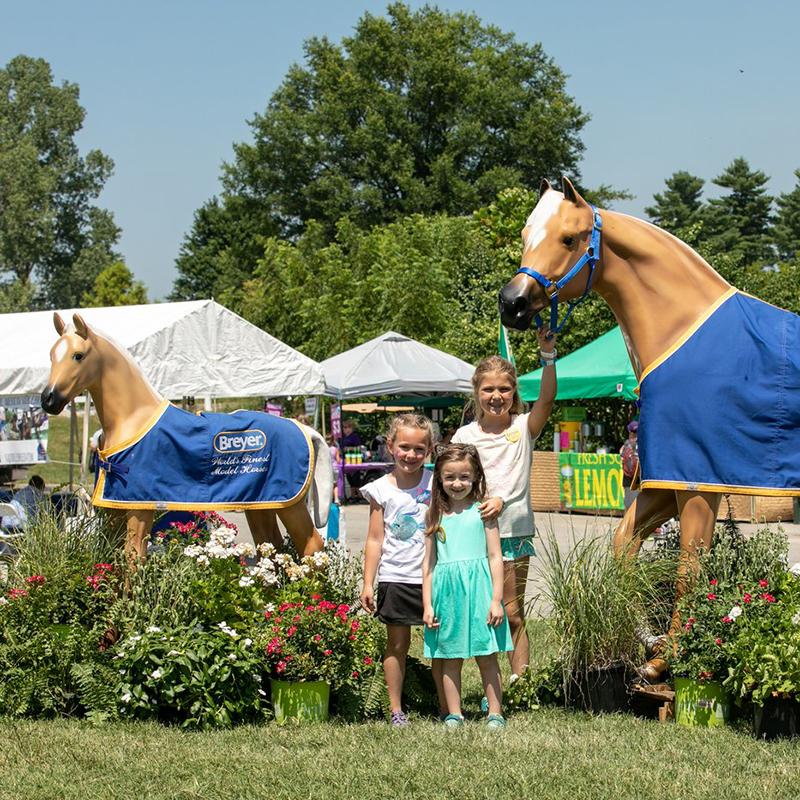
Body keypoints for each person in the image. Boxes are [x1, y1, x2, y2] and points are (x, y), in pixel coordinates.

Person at [452, 326, 557, 684]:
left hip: (513, 531)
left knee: (512, 611)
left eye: (504, 389)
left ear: (514, 393)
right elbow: (453, 482)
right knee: (484, 613)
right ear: (476, 392)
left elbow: (547, 400)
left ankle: (520, 684)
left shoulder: (524, 427)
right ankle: (492, 687)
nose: (496, 396)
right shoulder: (464, 436)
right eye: (488, 389)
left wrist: (547, 356)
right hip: (474, 535)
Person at [359, 413, 443, 727]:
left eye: (419, 449)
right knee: (396, 645)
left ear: (430, 450)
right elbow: (374, 539)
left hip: (434, 577)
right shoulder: (380, 489)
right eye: (404, 447)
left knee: (441, 645)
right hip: (395, 578)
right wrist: (368, 583)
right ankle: (396, 710)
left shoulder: (437, 483)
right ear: (391, 445)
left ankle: (447, 706)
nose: (411, 455)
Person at [423, 443, 512, 728]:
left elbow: (495, 556)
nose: (457, 483)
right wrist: (427, 604)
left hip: (480, 591)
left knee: (487, 655)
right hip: (447, 595)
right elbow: (428, 564)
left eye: (464, 477)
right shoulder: (434, 515)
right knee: (451, 656)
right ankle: (454, 713)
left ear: (475, 477)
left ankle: (495, 712)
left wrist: (496, 599)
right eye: (450, 477)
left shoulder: (484, 512)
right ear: (439, 479)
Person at [620, 420, 640, 510]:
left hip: (628, 480)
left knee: (629, 506)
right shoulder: (643, 443)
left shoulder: (626, 445)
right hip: (640, 478)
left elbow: (621, 456)